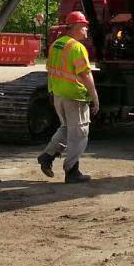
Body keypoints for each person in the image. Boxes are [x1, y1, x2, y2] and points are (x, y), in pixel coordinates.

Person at [37, 10, 99, 183]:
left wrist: (51, 91)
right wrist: (95, 97)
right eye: (84, 27)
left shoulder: (56, 44)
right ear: (76, 27)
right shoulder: (77, 48)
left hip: (59, 94)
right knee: (79, 134)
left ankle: (47, 156)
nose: (86, 30)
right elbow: (86, 75)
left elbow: (50, 70)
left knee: (66, 129)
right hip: (75, 96)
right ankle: (72, 171)